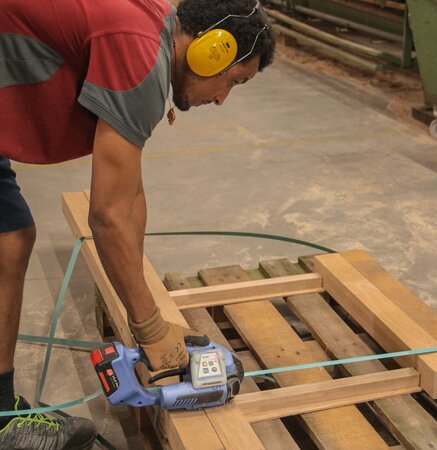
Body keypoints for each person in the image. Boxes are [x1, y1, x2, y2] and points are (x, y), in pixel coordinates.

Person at [0, 0, 276, 448]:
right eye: (234, 81)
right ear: (214, 51)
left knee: (9, 241)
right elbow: (107, 217)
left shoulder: (150, 30)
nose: (223, 99)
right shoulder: (139, 51)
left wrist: (149, 309)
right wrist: (149, 328)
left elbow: (130, 197)